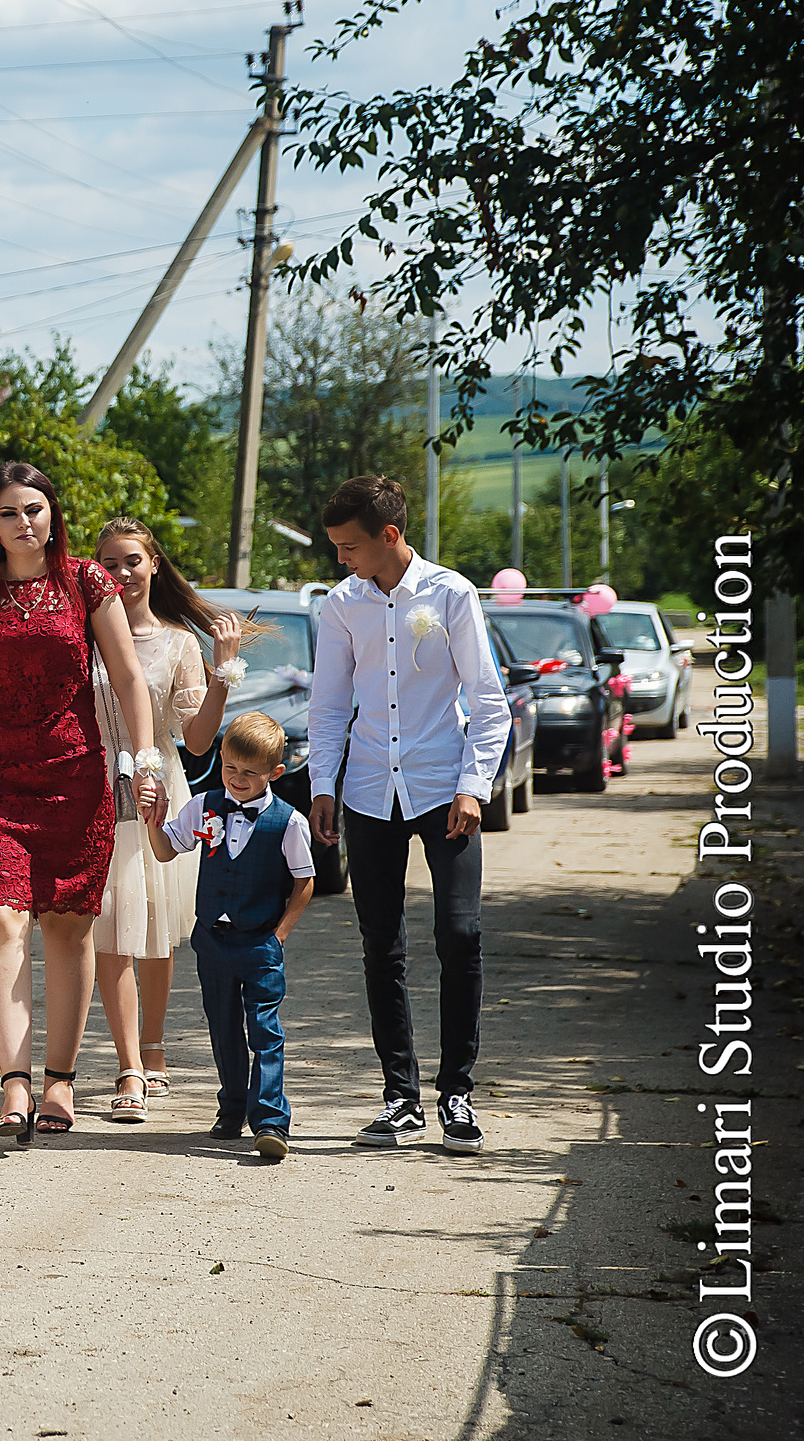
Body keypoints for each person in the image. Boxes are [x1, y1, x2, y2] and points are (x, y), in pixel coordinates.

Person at [0, 462, 160, 1141]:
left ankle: (60, 1080)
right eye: (8, 512)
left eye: (34, 508)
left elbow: (127, 676)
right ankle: (15, 1084)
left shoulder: (88, 582)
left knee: (67, 926)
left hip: (74, 777)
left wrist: (144, 761)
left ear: (52, 513)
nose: (24, 522)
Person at [308, 474, 509, 1155]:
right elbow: (330, 705)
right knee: (381, 945)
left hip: (443, 787)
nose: (342, 559)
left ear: (389, 536)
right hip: (367, 790)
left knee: (459, 935)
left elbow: (488, 701)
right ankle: (401, 1096)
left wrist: (473, 786)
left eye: (350, 547)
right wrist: (323, 783)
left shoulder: (452, 593)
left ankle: (458, 1092)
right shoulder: (341, 605)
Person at [87, 517, 250, 1121]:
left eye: (132, 560)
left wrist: (222, 668)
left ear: (154, 563)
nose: (121, 573)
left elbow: (201, 741)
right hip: (93, 793)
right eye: (108, 563)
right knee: (109, 925)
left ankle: (152, 1046)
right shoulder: (82, 636)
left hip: (159, 790)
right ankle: (128, 1062)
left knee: (153, 927)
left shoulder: (180, 642)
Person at [143, 711, 316, 1161]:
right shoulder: (204, 805)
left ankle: (272, 1121)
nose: (237, 779)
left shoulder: (289, 822)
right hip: (213, 942)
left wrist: (279, 935)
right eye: (230, 768)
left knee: (265, 1030)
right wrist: (154, 822)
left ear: (274, 773)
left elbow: (304, 881)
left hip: (260, 943)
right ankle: (232, 1107)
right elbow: (166, 852)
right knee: (223, 1028)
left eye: (250, 773)